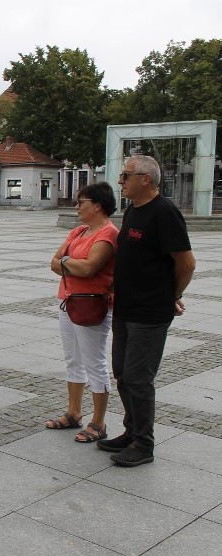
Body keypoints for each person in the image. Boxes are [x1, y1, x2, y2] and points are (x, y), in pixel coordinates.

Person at [97, 155, 195, 466]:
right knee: (124, 376)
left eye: (125, 175)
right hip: (125, 309)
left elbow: (186, 264)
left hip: (149, 313)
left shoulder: (164, 213)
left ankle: (144, 444)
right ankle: (131, 431)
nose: (120, 181)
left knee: (139, 378)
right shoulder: (133, 212)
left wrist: (172, 295)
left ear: (146, 179)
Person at [46, 182, 119, 442]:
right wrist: (69, 263)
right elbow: (53, 262)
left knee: (94, 362)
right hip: (68, 301)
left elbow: (90, 268)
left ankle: (98, 422)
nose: (77, 206)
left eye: (81, 202)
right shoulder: (79, 231)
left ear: (97, 205)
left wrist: (66, 262)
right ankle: (74, 412)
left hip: (92, 305)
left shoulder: (108, 234)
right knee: (73, 360)